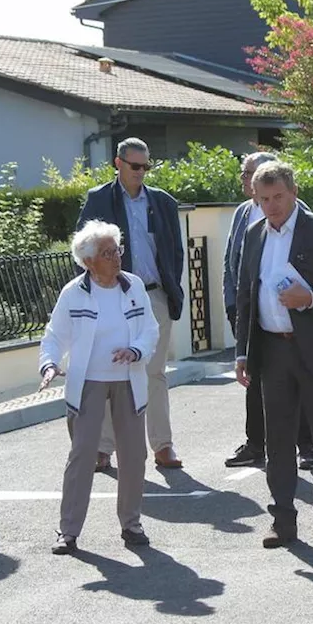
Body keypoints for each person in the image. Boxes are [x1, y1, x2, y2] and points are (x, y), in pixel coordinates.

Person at [234, 161, 313, 548]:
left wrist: (309, 298)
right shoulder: (254, 235)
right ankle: (283, 520)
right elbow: (245, 297)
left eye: (278, 197)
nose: (271, 206)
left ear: (293, 192)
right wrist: (243, 353)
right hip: (272, 350)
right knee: (278, 440)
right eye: (263, 199)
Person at [38, 220, 160, 554]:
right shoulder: (73, 293)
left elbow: (150, 329)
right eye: (107, 253)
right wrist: (49, 364)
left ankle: (131, 524)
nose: (116, 257)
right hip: (88, 382)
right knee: (83, 456)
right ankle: (69, 530)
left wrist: (136, 350)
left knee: (134, 456)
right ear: (89, 261)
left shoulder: (133, 286)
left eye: (117, 250)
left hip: (128, 380)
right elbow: (54, 335)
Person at [78, 138, 185, 471]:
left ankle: (162, 446)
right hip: (111, 295)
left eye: (145, 166)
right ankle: (104, 448)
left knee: (154, 373)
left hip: (153, 296)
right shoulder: (99, 199)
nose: (141, 172)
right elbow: (82, 249)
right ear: (118, 163)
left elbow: (174, 251)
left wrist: (169, 290)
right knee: (110, 372)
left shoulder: (163, 202)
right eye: (135, 166)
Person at [222, 151, 313, 470]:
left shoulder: (301, 215)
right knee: (254, 381)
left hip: (296, 320)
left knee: (299, 383)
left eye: (253, 172)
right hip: (253, 313)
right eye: (246, 174)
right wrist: (233, 302)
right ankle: (255, 443)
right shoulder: (243, 214)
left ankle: (306, 445)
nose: (247, 180)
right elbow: (231, 260)